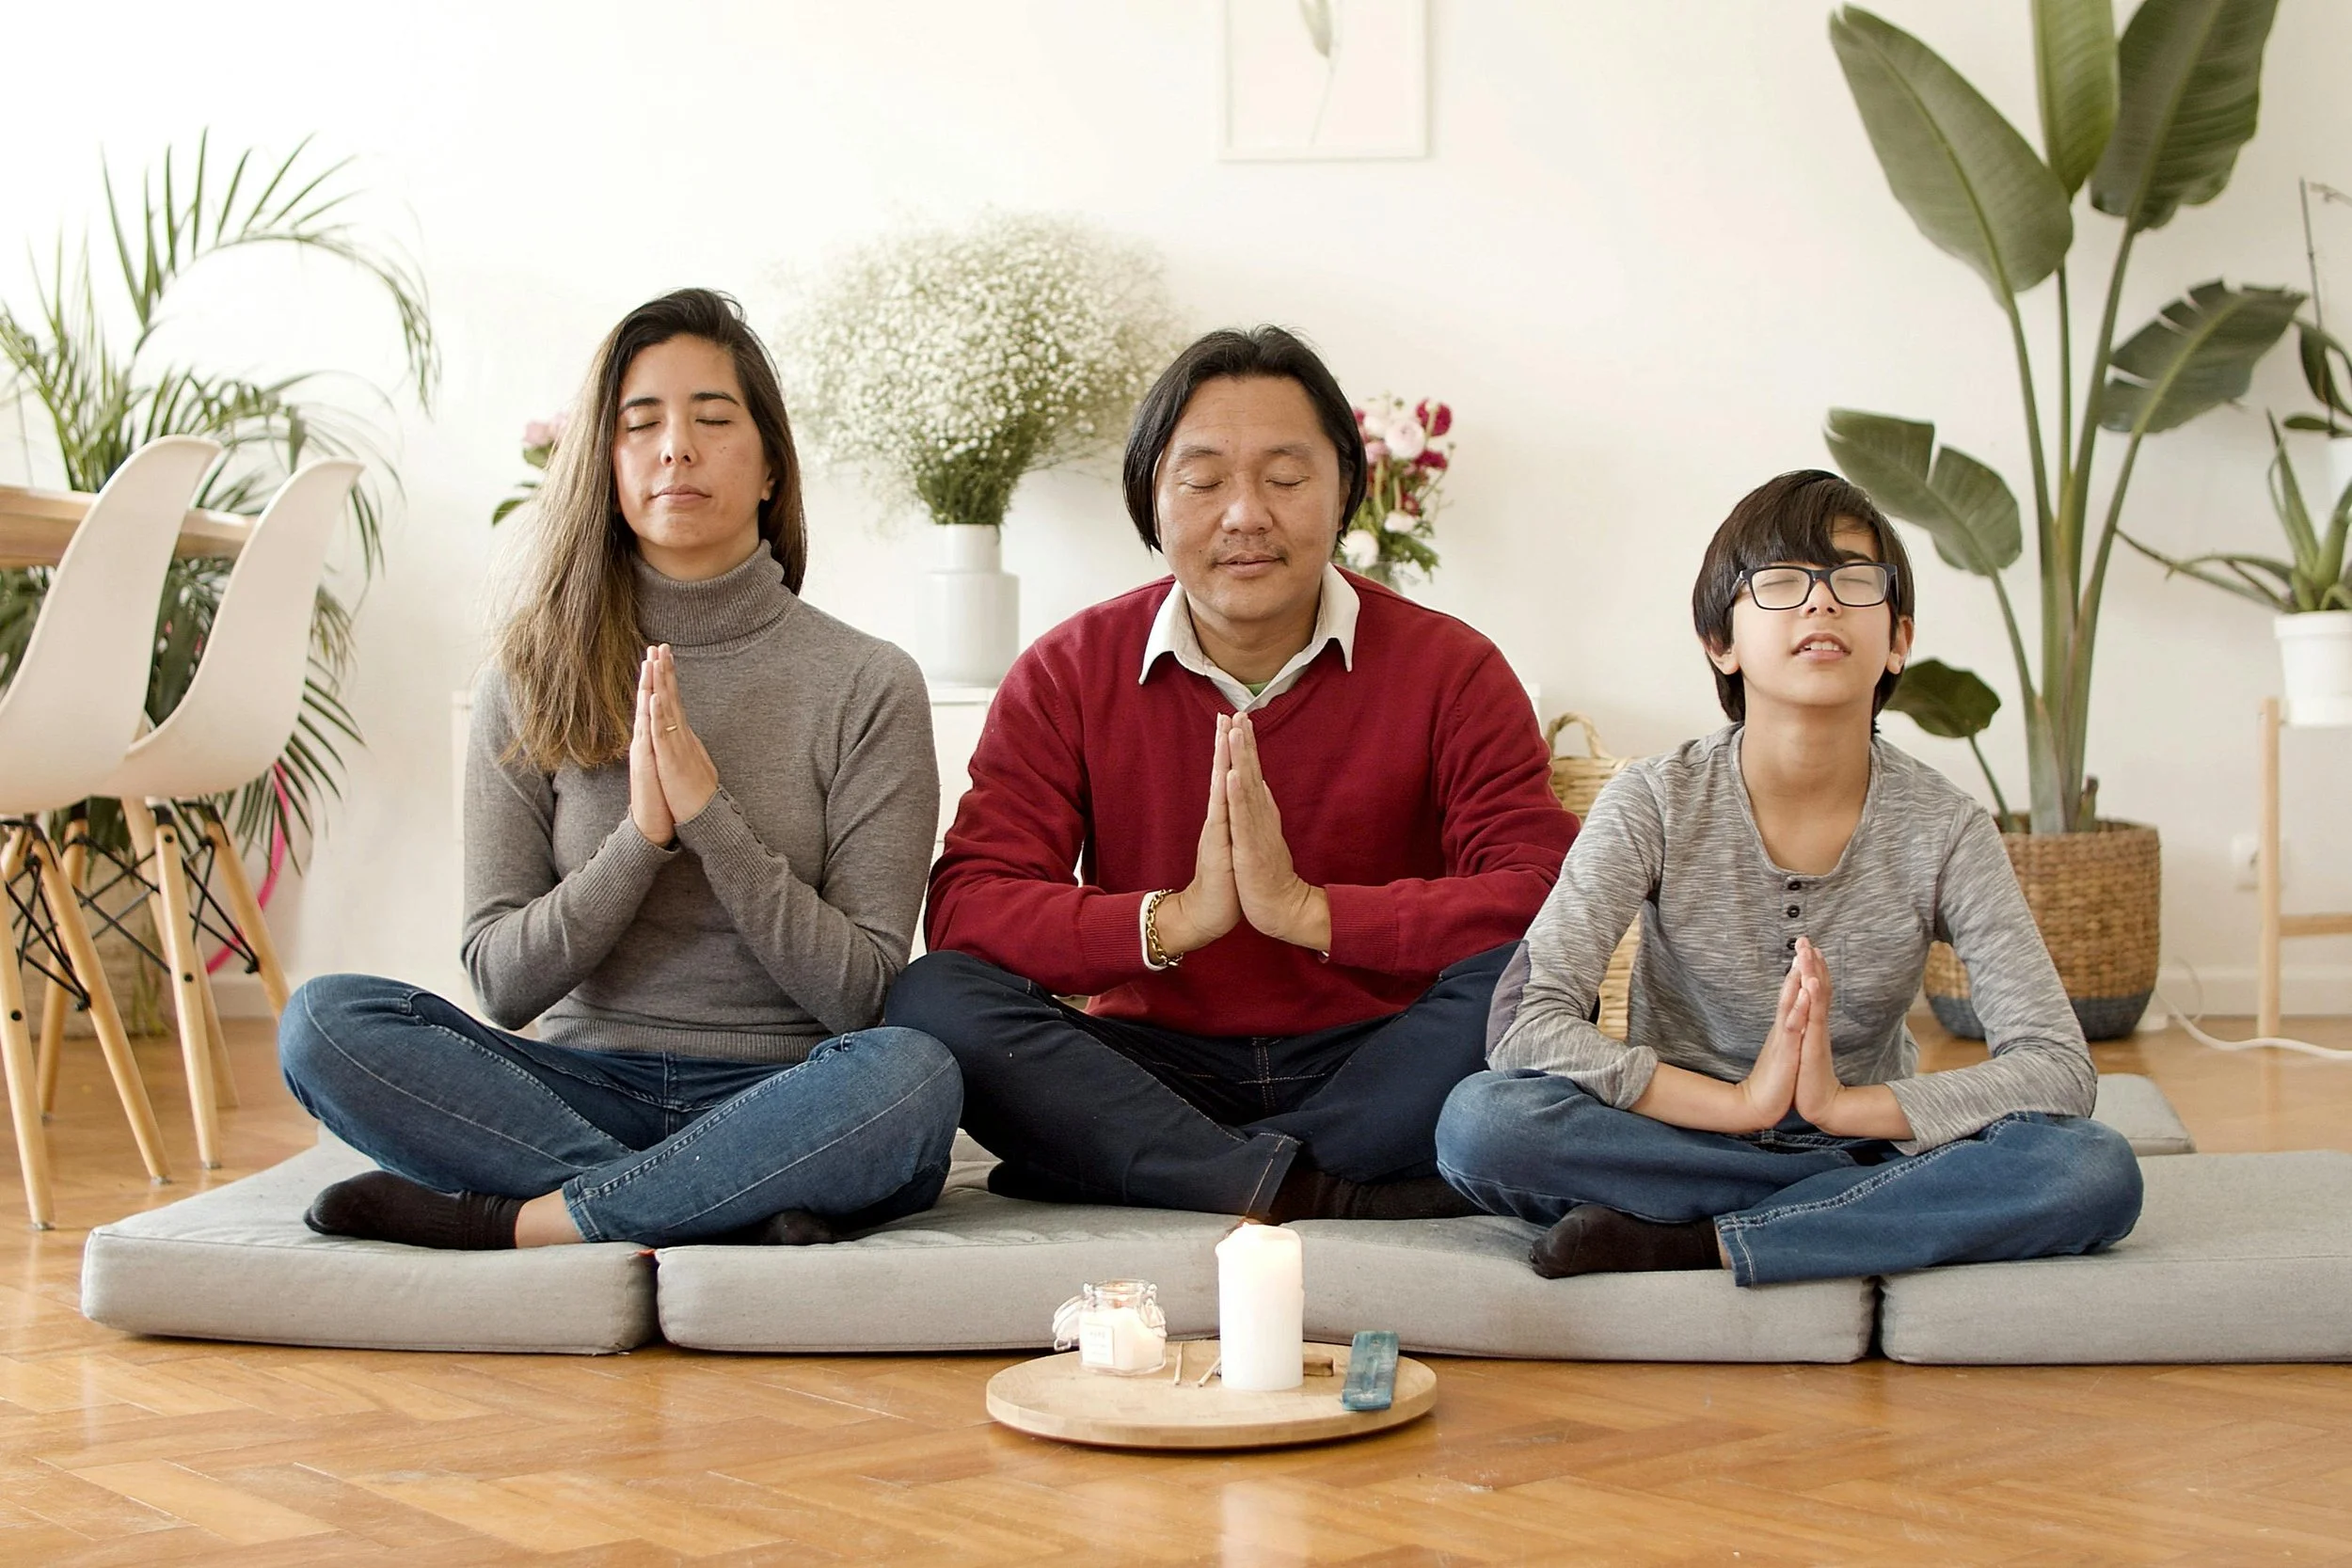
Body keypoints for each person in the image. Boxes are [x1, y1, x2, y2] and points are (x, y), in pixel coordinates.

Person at [278, 288, 959, 1250]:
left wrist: (709, 819)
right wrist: (640, 840)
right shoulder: (529, 677)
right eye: (641, 424)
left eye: (713, 420)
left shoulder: (866, 681)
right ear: (604, 465)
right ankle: (723, 1203)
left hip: (787, 1091)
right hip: (578, 1087)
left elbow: (858, 992)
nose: (676, 446)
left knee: (914, 1073)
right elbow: (502, 983)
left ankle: (531, 1220)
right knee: (322, 1022)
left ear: (770, 467)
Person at [885, 325, 1576, 1222]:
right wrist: (1172, 921)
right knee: (935, 997)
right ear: (1154, 503)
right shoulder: (1068, 670)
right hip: (1151, 1064)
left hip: (1380, 1055)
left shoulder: (1454, 668)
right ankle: (1322, 1184)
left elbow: (1544, 894)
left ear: (1344, 494)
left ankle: (1176, 1171)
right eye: (1204, 480)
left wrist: (1311, 913)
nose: (1245, 512)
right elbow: (971, 904)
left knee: (1529, 983)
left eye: (1285, 478)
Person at [1435, 469, 2143, 1285]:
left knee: (2092, 1168)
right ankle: (1848, 1216)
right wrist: (1740, 1106)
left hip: (1864, 1140)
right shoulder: (1655, 799)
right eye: (1779, 582)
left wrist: (1843, 1106)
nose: (1821, 603)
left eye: (1852, 578)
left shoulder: (1946, 825)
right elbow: (1525, 1023)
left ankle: (1699, 1239)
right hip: (1677, 1135)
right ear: (1720, 641)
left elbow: (2057, 1065)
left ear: (1899, 637)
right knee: (1482, 1121)